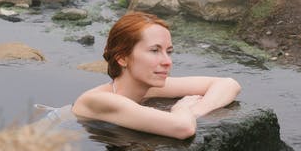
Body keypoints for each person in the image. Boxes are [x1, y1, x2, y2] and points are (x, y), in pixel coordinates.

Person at [72, 12, 241, 139]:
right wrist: (181, 108)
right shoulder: (99, 100)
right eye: (154, 50)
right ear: (122, 58)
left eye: (168, 52)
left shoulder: (149, 88)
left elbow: (229, 84)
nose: (167, 61)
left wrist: (196, 111)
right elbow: (183, 128)